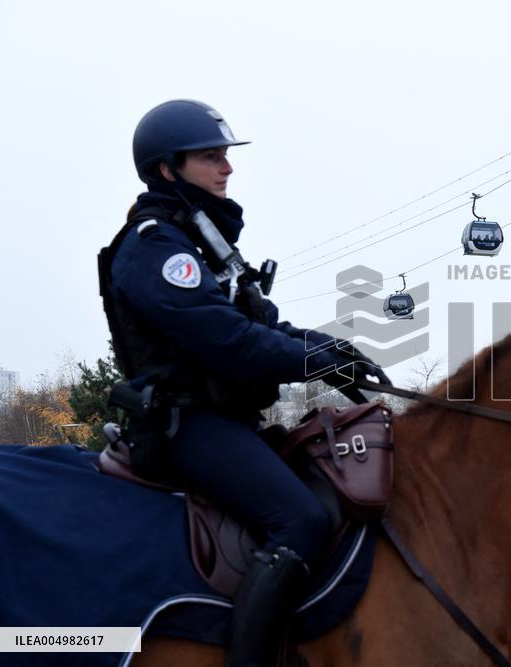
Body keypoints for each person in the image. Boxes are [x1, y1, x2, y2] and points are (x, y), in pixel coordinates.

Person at [100, 99, 388, 667]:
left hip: (229, 420)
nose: (227, 168)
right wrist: (314, 365)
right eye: (211, 158)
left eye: (226, 157)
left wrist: (329, 347)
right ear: (167, 169)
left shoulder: (202, 242)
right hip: (189, 424)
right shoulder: (156, 246)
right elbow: (223, 340)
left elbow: (263, 324)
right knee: (299, 519)